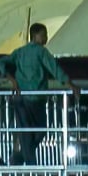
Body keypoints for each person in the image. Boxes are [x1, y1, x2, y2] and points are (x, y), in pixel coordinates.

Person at [8, 22, 67, 163]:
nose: (46, 38)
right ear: (35, 36)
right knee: (39, 131)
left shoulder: (19, 52)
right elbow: (55, 69)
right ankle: (28, 162)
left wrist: (13, 81)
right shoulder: (41, 52)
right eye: (43, 35)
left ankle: (22, 157)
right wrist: (70, 85)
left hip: (21, 98)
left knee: (27, 133)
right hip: (36, 98)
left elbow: (2, 64)